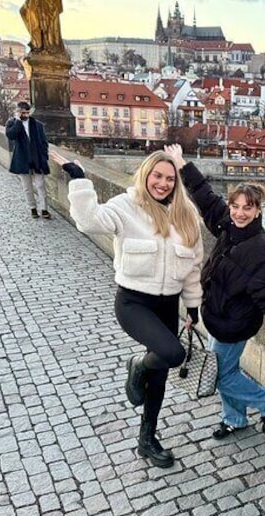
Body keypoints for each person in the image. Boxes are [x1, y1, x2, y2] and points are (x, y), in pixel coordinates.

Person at [51, 148, 203, 469]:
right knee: (173, 354)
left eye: (169, 178)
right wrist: (79, 180)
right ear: (145, 175)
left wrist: (193, 307)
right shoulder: (126, 205)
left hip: (167, 303)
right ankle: (138, 365)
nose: (162, 183)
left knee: (160, 377)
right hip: (134, 302)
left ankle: (146, 439)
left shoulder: (185, 214)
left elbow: (192, 266)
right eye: (157, 176)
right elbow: (88, 221)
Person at [165, 144, 265, 439]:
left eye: (248, 207)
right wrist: (182, 165)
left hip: (235, 323)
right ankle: (235, 418)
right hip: (217, 315)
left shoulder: (260, 249)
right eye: (236, 206)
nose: (240, 213)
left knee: (219, 375)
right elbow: (205, 198)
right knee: (227, 371)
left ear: (258, 211)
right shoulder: (228, 225)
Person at [6, 102, 51, 219]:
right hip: (22, 159)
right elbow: (11, 135)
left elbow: (44, 142)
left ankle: (44, 209)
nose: (25, 115)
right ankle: (33, 208)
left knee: (40, 185)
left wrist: (44, 156)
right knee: (27, 187)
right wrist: (18, 122)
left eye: (26, 112)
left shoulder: (37, 125)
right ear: (18, 112)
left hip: (37, 159)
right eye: (22, 113)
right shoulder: (12, 123)